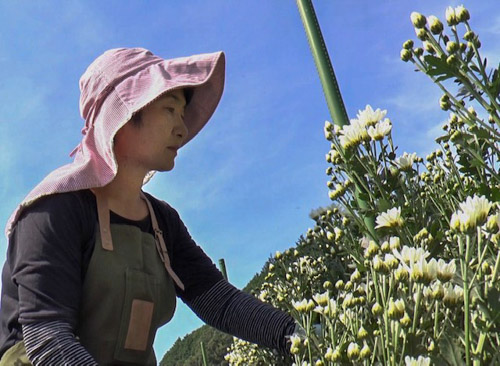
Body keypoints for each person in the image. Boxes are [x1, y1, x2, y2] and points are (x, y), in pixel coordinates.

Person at [0, 48, 296, 365]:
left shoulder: (162, 222)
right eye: (170, 110)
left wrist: (298, 334)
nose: (182, 130)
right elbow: (48, 339)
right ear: (125, 116)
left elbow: (218, 301)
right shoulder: (55, 209)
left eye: (182, 115)